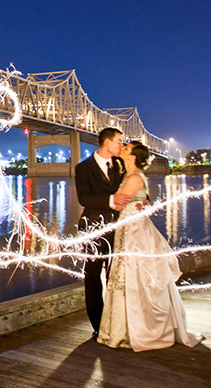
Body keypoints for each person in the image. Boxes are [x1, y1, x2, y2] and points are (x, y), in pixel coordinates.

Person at [98, 140, 203, 350]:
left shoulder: (135, 177)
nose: (122, 148)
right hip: (128, 225)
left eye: (125, 148)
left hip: (134, 230)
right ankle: (125, 328)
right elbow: (129, 199)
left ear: (133, 157)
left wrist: (116, 200)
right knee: (125, 275)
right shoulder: (128, 175)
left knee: (134, 274)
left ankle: (137, 329)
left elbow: (119, 203)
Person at [74, 127, 129, 339]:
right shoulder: (83, 168)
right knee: (93, 278)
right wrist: (111, 201)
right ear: (106, 142)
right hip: (93, 230)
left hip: (119, 229)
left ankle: (117, 322)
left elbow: (134, 188)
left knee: (116, 276)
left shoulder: (121, 165)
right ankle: (98, 325)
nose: (121, 146)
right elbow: (84, 199)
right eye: (118, 141)